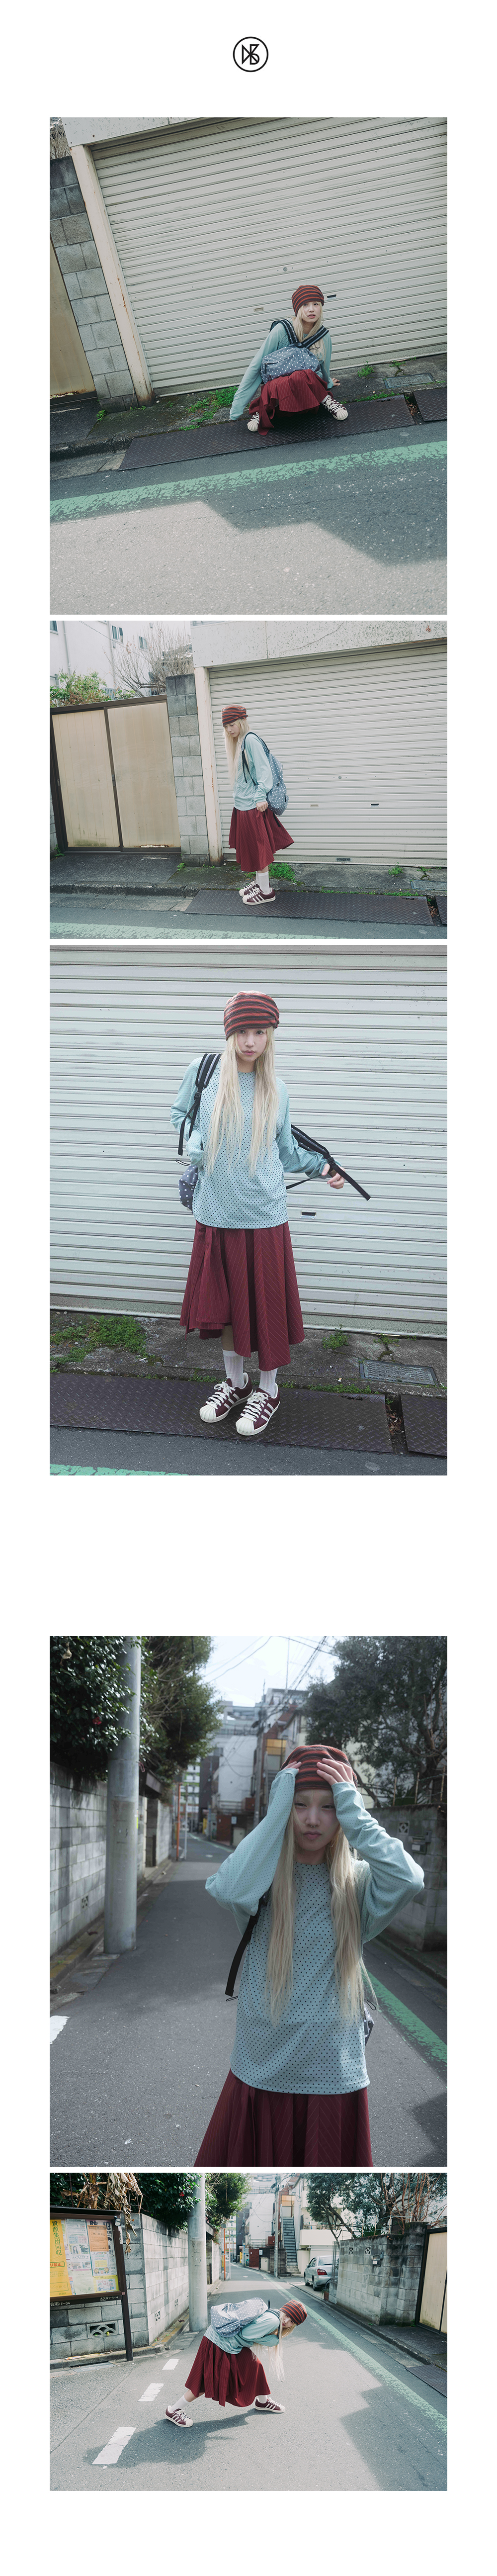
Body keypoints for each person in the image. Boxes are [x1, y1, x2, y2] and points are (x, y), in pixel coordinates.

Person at [194, 1746, 425, 2165]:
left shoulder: (357, 1885)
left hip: (333, 2072)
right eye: (300, 1805)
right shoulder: (260, 1880)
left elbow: (409, 1879)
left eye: (329, 1806)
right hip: (261, 2064)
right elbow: (225, 1888)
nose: (313, 1819)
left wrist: (355, 1811)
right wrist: (275, 1815)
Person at [170, 991, 344, 1441]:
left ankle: (269, 1390)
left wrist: (323, 1168)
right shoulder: (205, 1072)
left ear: (271, 1036)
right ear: (230, 1033)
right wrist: (194, 1140)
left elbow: (285, 1151)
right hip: (216, 1211)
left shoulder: (277, 1090)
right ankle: (236, 1383)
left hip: (264, 1215)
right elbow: (179, 1116)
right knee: (226, 1308)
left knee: (265, 1307)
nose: (251, 1041)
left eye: (260, 1032)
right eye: (243, 1032)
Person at [165, 2296, 307, 2430]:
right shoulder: (274, 2321)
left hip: (224, 2340)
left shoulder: (271, 2314)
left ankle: (262, 2402)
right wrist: (272, 2340)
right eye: (287, 2315)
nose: (287, 2321)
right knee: (208, 2381)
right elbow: (246, 2335)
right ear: (284, 2310)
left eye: (292, 2321)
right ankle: (174, 2410)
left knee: (255, 2366)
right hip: (220, 2343)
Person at [229, 284, 348, 437]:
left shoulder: (324, 336)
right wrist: (237, 408)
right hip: (280, 394)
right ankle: (263, 409)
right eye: (305, 305)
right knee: (295, 377)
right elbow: (257, 366)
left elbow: (324, 366)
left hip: (306, 393)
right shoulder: (282, 330)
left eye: (316, 304)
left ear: (321, 308)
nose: (311, 310)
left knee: (302, 375)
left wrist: (328, 382)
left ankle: (327, 401)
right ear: (298, 309)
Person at [222, 703, 294, 909]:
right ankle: (260, 884)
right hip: (243, 806)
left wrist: (261, 796)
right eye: (226, 726)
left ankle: (266, 891)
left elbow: (264, 771)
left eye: (232, 724)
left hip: (254, 806)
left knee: (259, 849)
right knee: (254, 849)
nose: (229, 729)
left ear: (242, 721)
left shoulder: (250, 740)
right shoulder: (241, 741)